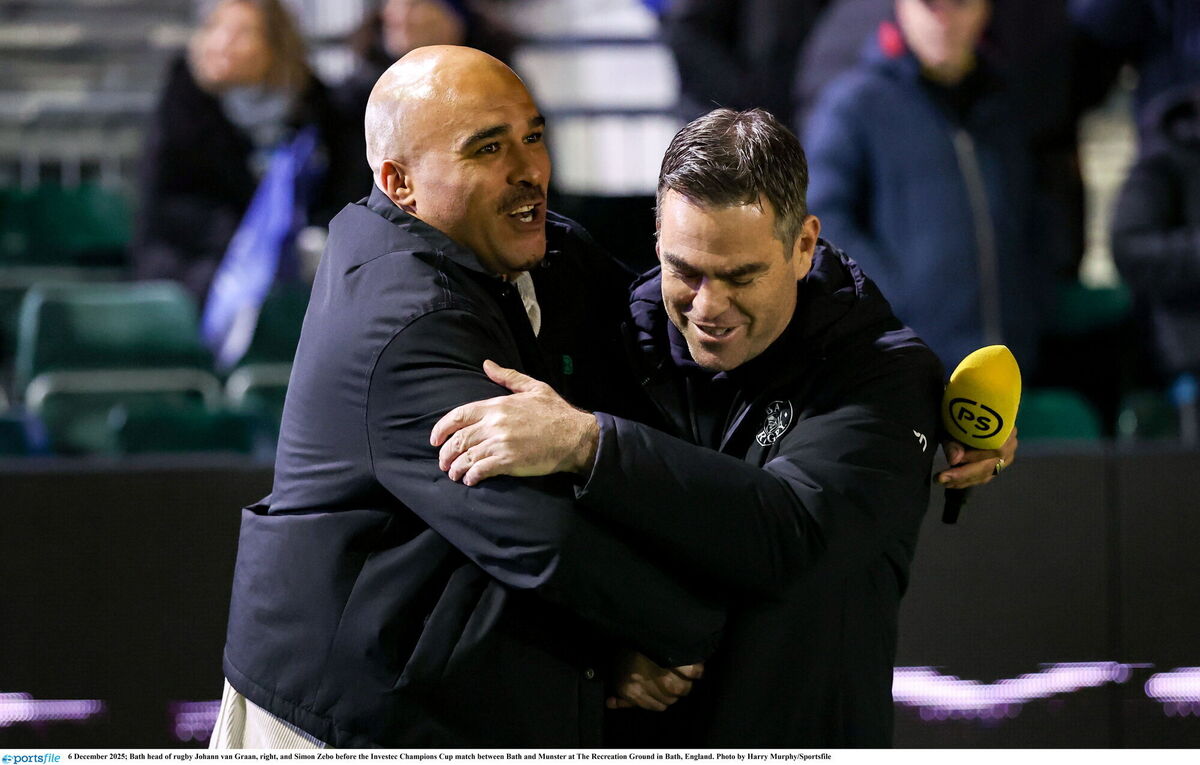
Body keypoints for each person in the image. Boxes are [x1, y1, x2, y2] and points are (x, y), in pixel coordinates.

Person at [431, 107, 1017, 746]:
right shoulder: (611, 332)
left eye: (742, 276)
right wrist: (607, 653)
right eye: (686, 270)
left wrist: (588, 444)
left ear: (803, 246)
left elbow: (792, 536)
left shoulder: (884, 376)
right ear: (657, 234)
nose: (708, 306)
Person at [213, 46, 722, 749]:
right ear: (401, 183)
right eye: (487, 147)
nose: (530, 170)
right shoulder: (406, 320)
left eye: (533, 136)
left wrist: (900, 383)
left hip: (439, 699)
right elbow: (540, 536)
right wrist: (691, 626)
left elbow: (681, 332)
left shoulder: (535, 252)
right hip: (335, 720)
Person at [803, 0, 1056, 376]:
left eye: (959, 4)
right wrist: (891, 303)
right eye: (929, 5)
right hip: (897, 369)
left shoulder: (1004, 105)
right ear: (901, 6)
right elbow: (821, 222)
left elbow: (1037, 213)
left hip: (1007, 370)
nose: (944, 20)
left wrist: (1035, 301)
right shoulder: (854, 105)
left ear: (984, 10)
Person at [132, 0, 360, 302]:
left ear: (276, 45)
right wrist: (249, 240)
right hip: (194, 262)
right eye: (215, 28)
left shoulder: (314, 106)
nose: (223, 43)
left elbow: (341, 188)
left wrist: (313, 236)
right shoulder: (183, 101)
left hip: (297, 260)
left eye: (243, 32)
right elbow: (167, 207)